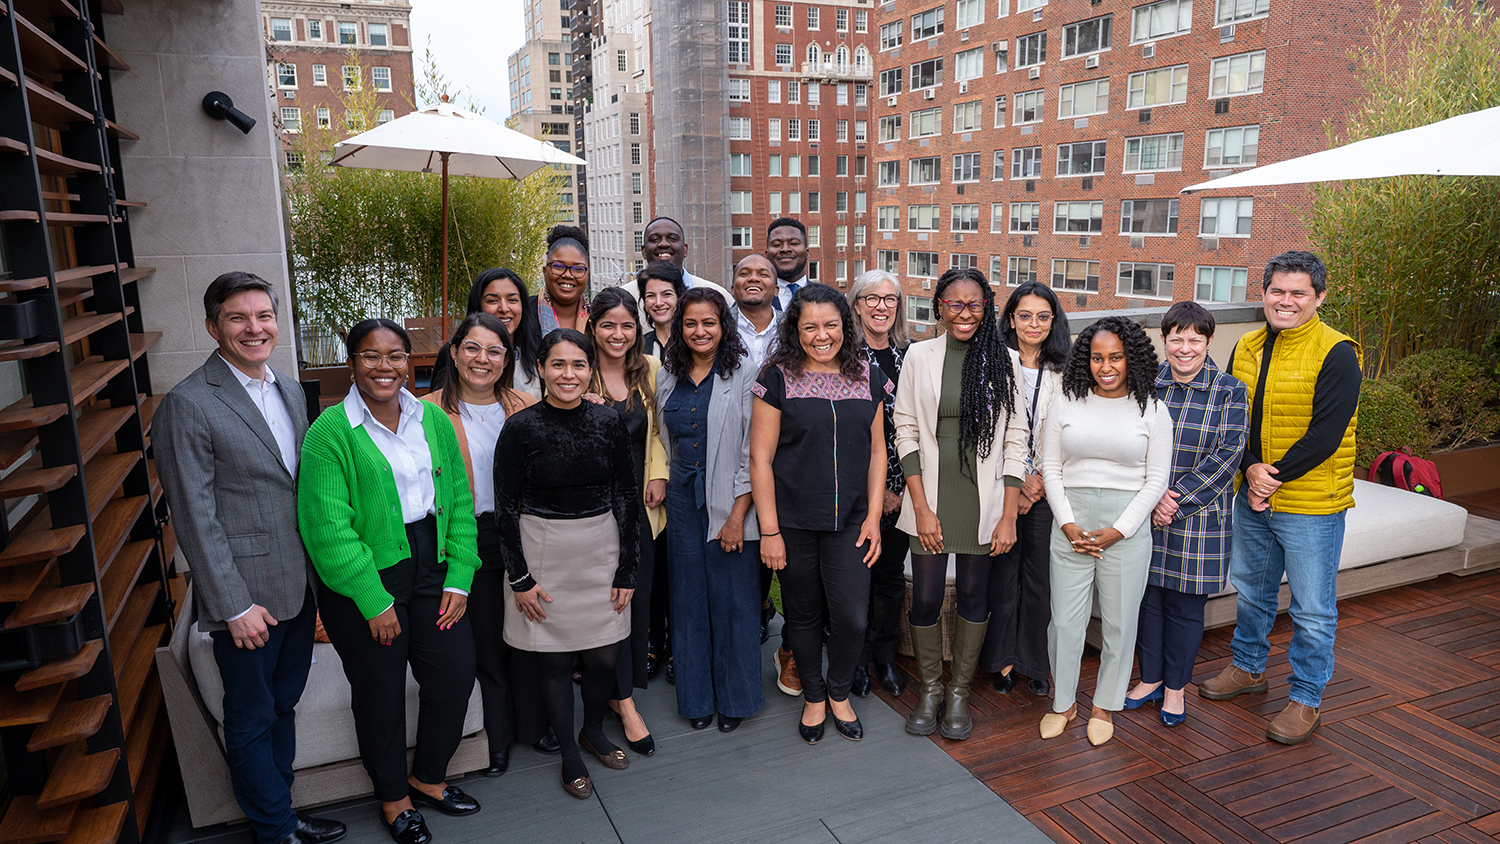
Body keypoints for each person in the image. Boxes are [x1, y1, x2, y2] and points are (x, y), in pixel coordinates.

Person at [156, 273, 345, 844]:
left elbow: (300, 489)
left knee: (283, 704)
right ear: (214, 327)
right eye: (238, 318)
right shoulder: (187, 403)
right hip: (247, 597)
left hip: (299, 583)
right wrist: (233, 604)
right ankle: (273, 828)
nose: (254, 327)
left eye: (264, 316)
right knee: (250, 717)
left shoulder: (289, 389)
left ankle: (282, 810)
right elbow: (194, 516)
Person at [298, 319, 482, 844]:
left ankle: (427, 777)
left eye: (396, 356)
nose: (385, 367)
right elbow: (327, 528)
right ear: (351, 361)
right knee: (379, 692)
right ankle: (393, 798)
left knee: (453, 674)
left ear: (411, 361)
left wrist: (461, 576)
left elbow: (461, 503)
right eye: (371, 356)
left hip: (433, 564)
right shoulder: (329, 433)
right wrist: (374, 601)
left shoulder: (432, 419)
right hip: (365, 575)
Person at [1198, 251, 1361, 745]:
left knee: (1312, 609)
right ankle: (1248, 669)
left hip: (1311, 503)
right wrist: (1248, 468)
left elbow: (1327, 432)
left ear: (1319, 297)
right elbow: (1232, 421)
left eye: (1298, 293)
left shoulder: (1338, 351)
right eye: (1277, 291)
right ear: (1264, 293)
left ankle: (1306, 699)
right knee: (1252, 590)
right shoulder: (1245, 346)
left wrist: (1273, 477)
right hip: (1252, 495)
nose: (1286, 301)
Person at [494, 329, 639, 798]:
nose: (568, 375)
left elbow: (625, 495)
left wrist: (627, 568)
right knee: (554, 665)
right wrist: (519, 577)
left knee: (604, 657)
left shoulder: (608, 422)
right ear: (540, 367)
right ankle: (570, 757)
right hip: (542, 552)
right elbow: (506, 507)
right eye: (558, 364)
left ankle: (592, 729)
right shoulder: (520, 427)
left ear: (589, 370)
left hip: (601, 547)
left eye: (578, 365)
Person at [893, 268, 1027, 741]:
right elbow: (904, 430)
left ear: (987, 307)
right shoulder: (918, 355)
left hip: (982, 502)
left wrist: (1009, 514)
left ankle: (959, 692)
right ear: (939, 307)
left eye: (973, 304)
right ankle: (931, 687)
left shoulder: (1004, 361)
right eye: (954, 304)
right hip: (929, 497)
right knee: (927, 598)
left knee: (973, 597)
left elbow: (1016, 440)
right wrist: (922, 507)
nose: (964, 313)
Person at [750, 284, 887, 744]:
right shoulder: (776, 378)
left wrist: (871, 517)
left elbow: (878, 451)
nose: (821, 335)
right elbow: (760, 459)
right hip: (792, 521)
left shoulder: (867, 376)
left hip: (851, 520)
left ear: (845, 327)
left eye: (830, 324)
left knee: (852, 618)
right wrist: (769, 530)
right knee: (803, 615)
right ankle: (812, 696)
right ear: (795, 329)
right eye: (809, 326)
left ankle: (839, 692)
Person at [1039, 315, 1172, 748]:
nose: (1106, 366)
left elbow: (1156, 480)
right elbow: (1051, 469)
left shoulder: (1152, 408)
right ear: (1086, 360)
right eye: (1097, 357)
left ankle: (1104, 705)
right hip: (1071, 522)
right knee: (1064, 623)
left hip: (1125, 526)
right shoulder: (1066, 401)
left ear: (1131, 358)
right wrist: (1068, 523)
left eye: (1116, 357)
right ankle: (1063, 703)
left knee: (1118, 624)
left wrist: (1120, 529)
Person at [422, 313, 539, 777]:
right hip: (468, 539)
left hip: (526, 537)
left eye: (494, 351)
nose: (482, 359)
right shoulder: (426, 411)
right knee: (490, 644)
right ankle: (500, 738)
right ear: (454, 352)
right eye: (472, 348)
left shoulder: (525, 405)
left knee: (532, 637)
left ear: (507, 359)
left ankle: (536, 725)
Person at [1124, 302, 1248, 727]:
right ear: (1163, 340)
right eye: (1176, 338)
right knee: (1147, 601)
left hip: (1198, 519)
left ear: (1209, 341)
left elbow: (1228, 455)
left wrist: (1173, 498)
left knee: (1184, 607)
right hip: (1144, 510)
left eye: (1195, 339)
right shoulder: (1144, 385)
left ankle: (1176, 689)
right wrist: (1153, 497)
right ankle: (1150, 680)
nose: (1185, 348)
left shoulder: (1230, 390)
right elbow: (1129, 445)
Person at [655, 287, 765, 732]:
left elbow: (750, 450)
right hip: (682, 502)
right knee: (687, 602)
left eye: (709, 322)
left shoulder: (745, 372)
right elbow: (663, 438)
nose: (700, 331)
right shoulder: (667, 374)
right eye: (691, 323)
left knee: (735, 605)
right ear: (680, 328)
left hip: (731, 500)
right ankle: (696, 698)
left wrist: (737, 516)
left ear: (724, 326)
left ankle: (736, 702)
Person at [585, 287, 669, 755]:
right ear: (593, 327)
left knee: (634, 602)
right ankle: (619, 698)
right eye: (608, 325)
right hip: (592, 511)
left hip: (640, 504)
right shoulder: (578, 369)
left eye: (626, 326)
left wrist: (658, 474)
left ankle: (624, 694)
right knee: (602, 605)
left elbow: (662, 432)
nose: (618, 335)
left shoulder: (651, 369)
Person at [981, 282, 1072, 698]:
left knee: (1040, 581)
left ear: (1053, 321)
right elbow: (986, 431)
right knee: (1001, 576)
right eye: (1024, 315)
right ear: (1010, 318)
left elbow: (1073, 433)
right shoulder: (992, 362)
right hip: (1001, 486)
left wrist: (1037, 483)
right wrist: (1017, 480)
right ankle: (1001, 660)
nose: (1033, 324)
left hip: (1047, 491)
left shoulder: (1068, 370)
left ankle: (1035, 661)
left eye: (1042, 316)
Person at [845, 269, 910, 698]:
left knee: (888, 581)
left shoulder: (912, 356)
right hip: (857, 491)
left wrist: (904, 491)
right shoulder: (842, 359)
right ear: (856, 305)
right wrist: (878, 492)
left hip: (906, 491)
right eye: (872, 298)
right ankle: (854, 662)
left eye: (890, 298)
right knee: (854, 581)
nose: (881, 305)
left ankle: (884, 657)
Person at [430, 268, 543, 399]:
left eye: (512, 300)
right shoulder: (457, 351)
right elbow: (439, 405)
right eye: (493, 301)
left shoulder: (536, 350)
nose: (504, 309)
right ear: (478, 306)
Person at [639, 216, 732, 316]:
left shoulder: (718, 295)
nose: (663, 244)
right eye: (654, 239)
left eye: (673, 238)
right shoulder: (627, 297)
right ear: (644, 251)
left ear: (685, 249)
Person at [730, 253, 783, 370]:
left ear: (776, 290)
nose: (753, 278)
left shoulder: (793, 327)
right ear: (733, 290)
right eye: (744, 274)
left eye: (763, 274)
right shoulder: (719, 326)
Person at [536, 225, 591, 333]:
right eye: (558, 267)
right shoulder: (524, 314)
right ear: (545, 271)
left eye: (578, 269)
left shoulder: (598, 320)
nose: (567, 275)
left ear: (587, 275)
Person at [637, 261, 687, 358]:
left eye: (667, 294)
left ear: (679, 297)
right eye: (651, 296)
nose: (659, 303)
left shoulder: (693, 343)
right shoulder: (638, 348)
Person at [766, 217, 813, 311]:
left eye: (794, 243)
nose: (785, 249)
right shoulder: (750, 301)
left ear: (807, 252)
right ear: (767, 254)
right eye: (776, 245)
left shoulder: (831, 300)